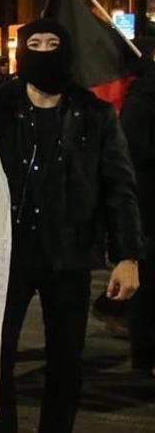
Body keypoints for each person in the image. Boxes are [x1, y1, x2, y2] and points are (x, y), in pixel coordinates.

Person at [0, 19, 144, 432]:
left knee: (66, 364)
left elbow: (120, 187)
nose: (44, 50)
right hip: (5, 256)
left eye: (53, 43)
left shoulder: (95, 114)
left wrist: (128, 255)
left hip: (68, 256)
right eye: (35, 42)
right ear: (20, 50)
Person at [123, 37, 155, 376]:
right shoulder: (141, 101)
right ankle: (144, 356)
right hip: (147, 205)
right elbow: (134, 153)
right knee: (147, 284)